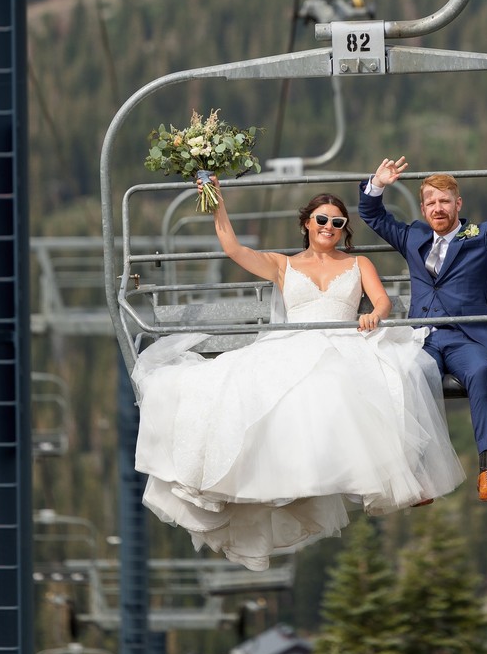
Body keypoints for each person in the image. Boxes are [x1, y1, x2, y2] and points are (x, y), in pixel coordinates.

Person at [132, 182, 465, 570]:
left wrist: (374, 313)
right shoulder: (282, 264)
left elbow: (382, 300)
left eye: (337, 222)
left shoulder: (357, 265)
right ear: (307, 223)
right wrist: (216, 201)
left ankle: (364, 474)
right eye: (322, 219)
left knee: (354, 382)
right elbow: (233, 249)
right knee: (246, 390)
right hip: (293, 342)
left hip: (343, 342)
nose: (329, 227)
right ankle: (271, 478)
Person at [358, 143, 487, 503]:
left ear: (457, 205)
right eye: (430, 202)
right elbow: (373, 217)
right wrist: (378, 186)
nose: (437, 208)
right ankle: (416, 474)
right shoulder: (413, 236)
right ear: (423, 207)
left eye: (444, 201)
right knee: (406, 374)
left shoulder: (483, 239)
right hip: (422, 340)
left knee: (479, 373)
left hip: (467, 339)